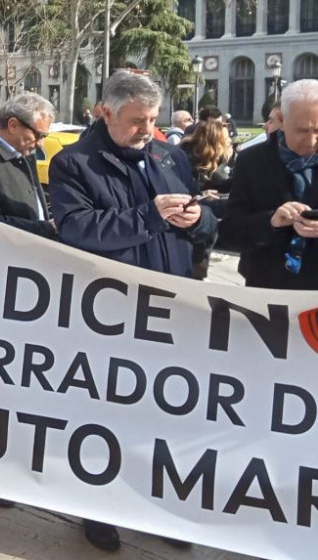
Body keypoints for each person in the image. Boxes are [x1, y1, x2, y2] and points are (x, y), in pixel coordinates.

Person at [49, 71, 217, 551]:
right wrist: (151, 215)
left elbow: (205, 222)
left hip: (172, 308)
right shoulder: (74, 163)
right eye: (136, 121)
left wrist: (197, 219)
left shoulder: (171, 156)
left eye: (152, 120)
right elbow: (78, 229)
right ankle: (97, 507)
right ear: (106, 112)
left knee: (166, 417)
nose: (147, 129)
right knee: (106, 416)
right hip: (111, 314)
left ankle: (161, 507)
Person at [222, 79, 318, 289]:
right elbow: (230, 231)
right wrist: (271, 221)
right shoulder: (251, 161)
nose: (311, 141)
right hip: (268, 286)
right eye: (302, 130)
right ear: (282, 120)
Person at [0, 91, 57, 238]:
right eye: (38, 135)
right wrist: (44, 228)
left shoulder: (26, 154)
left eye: (44, 136)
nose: (41, 143)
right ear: (13, 125)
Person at [179, 120, 233, 278]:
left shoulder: (208, 158)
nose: (230, 140)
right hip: (189, 228)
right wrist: (201, 197)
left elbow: (222, 184)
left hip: (202, 229)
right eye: (226, 138)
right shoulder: (186, 159)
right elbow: (178, 192)